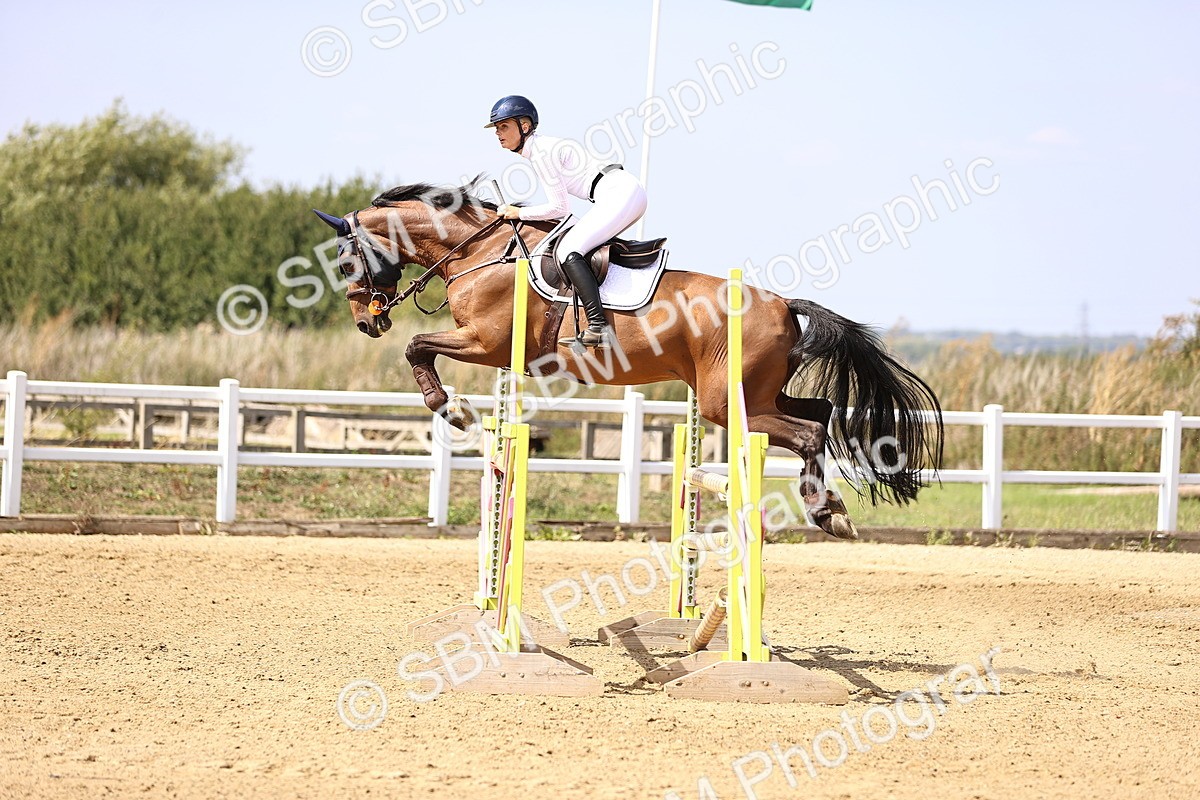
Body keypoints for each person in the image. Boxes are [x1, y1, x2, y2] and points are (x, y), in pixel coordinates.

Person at [486, 95, 647, 348]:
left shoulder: (541, 153)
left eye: (503, 126)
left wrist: (518, 213)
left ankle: (599, 326)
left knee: (568, 250)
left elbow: (559, 209)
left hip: (619, 193)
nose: (498, 133)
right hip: (622, 193)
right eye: (496, 128)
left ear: (524, 126)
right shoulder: (540, 149)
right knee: (580, 245)